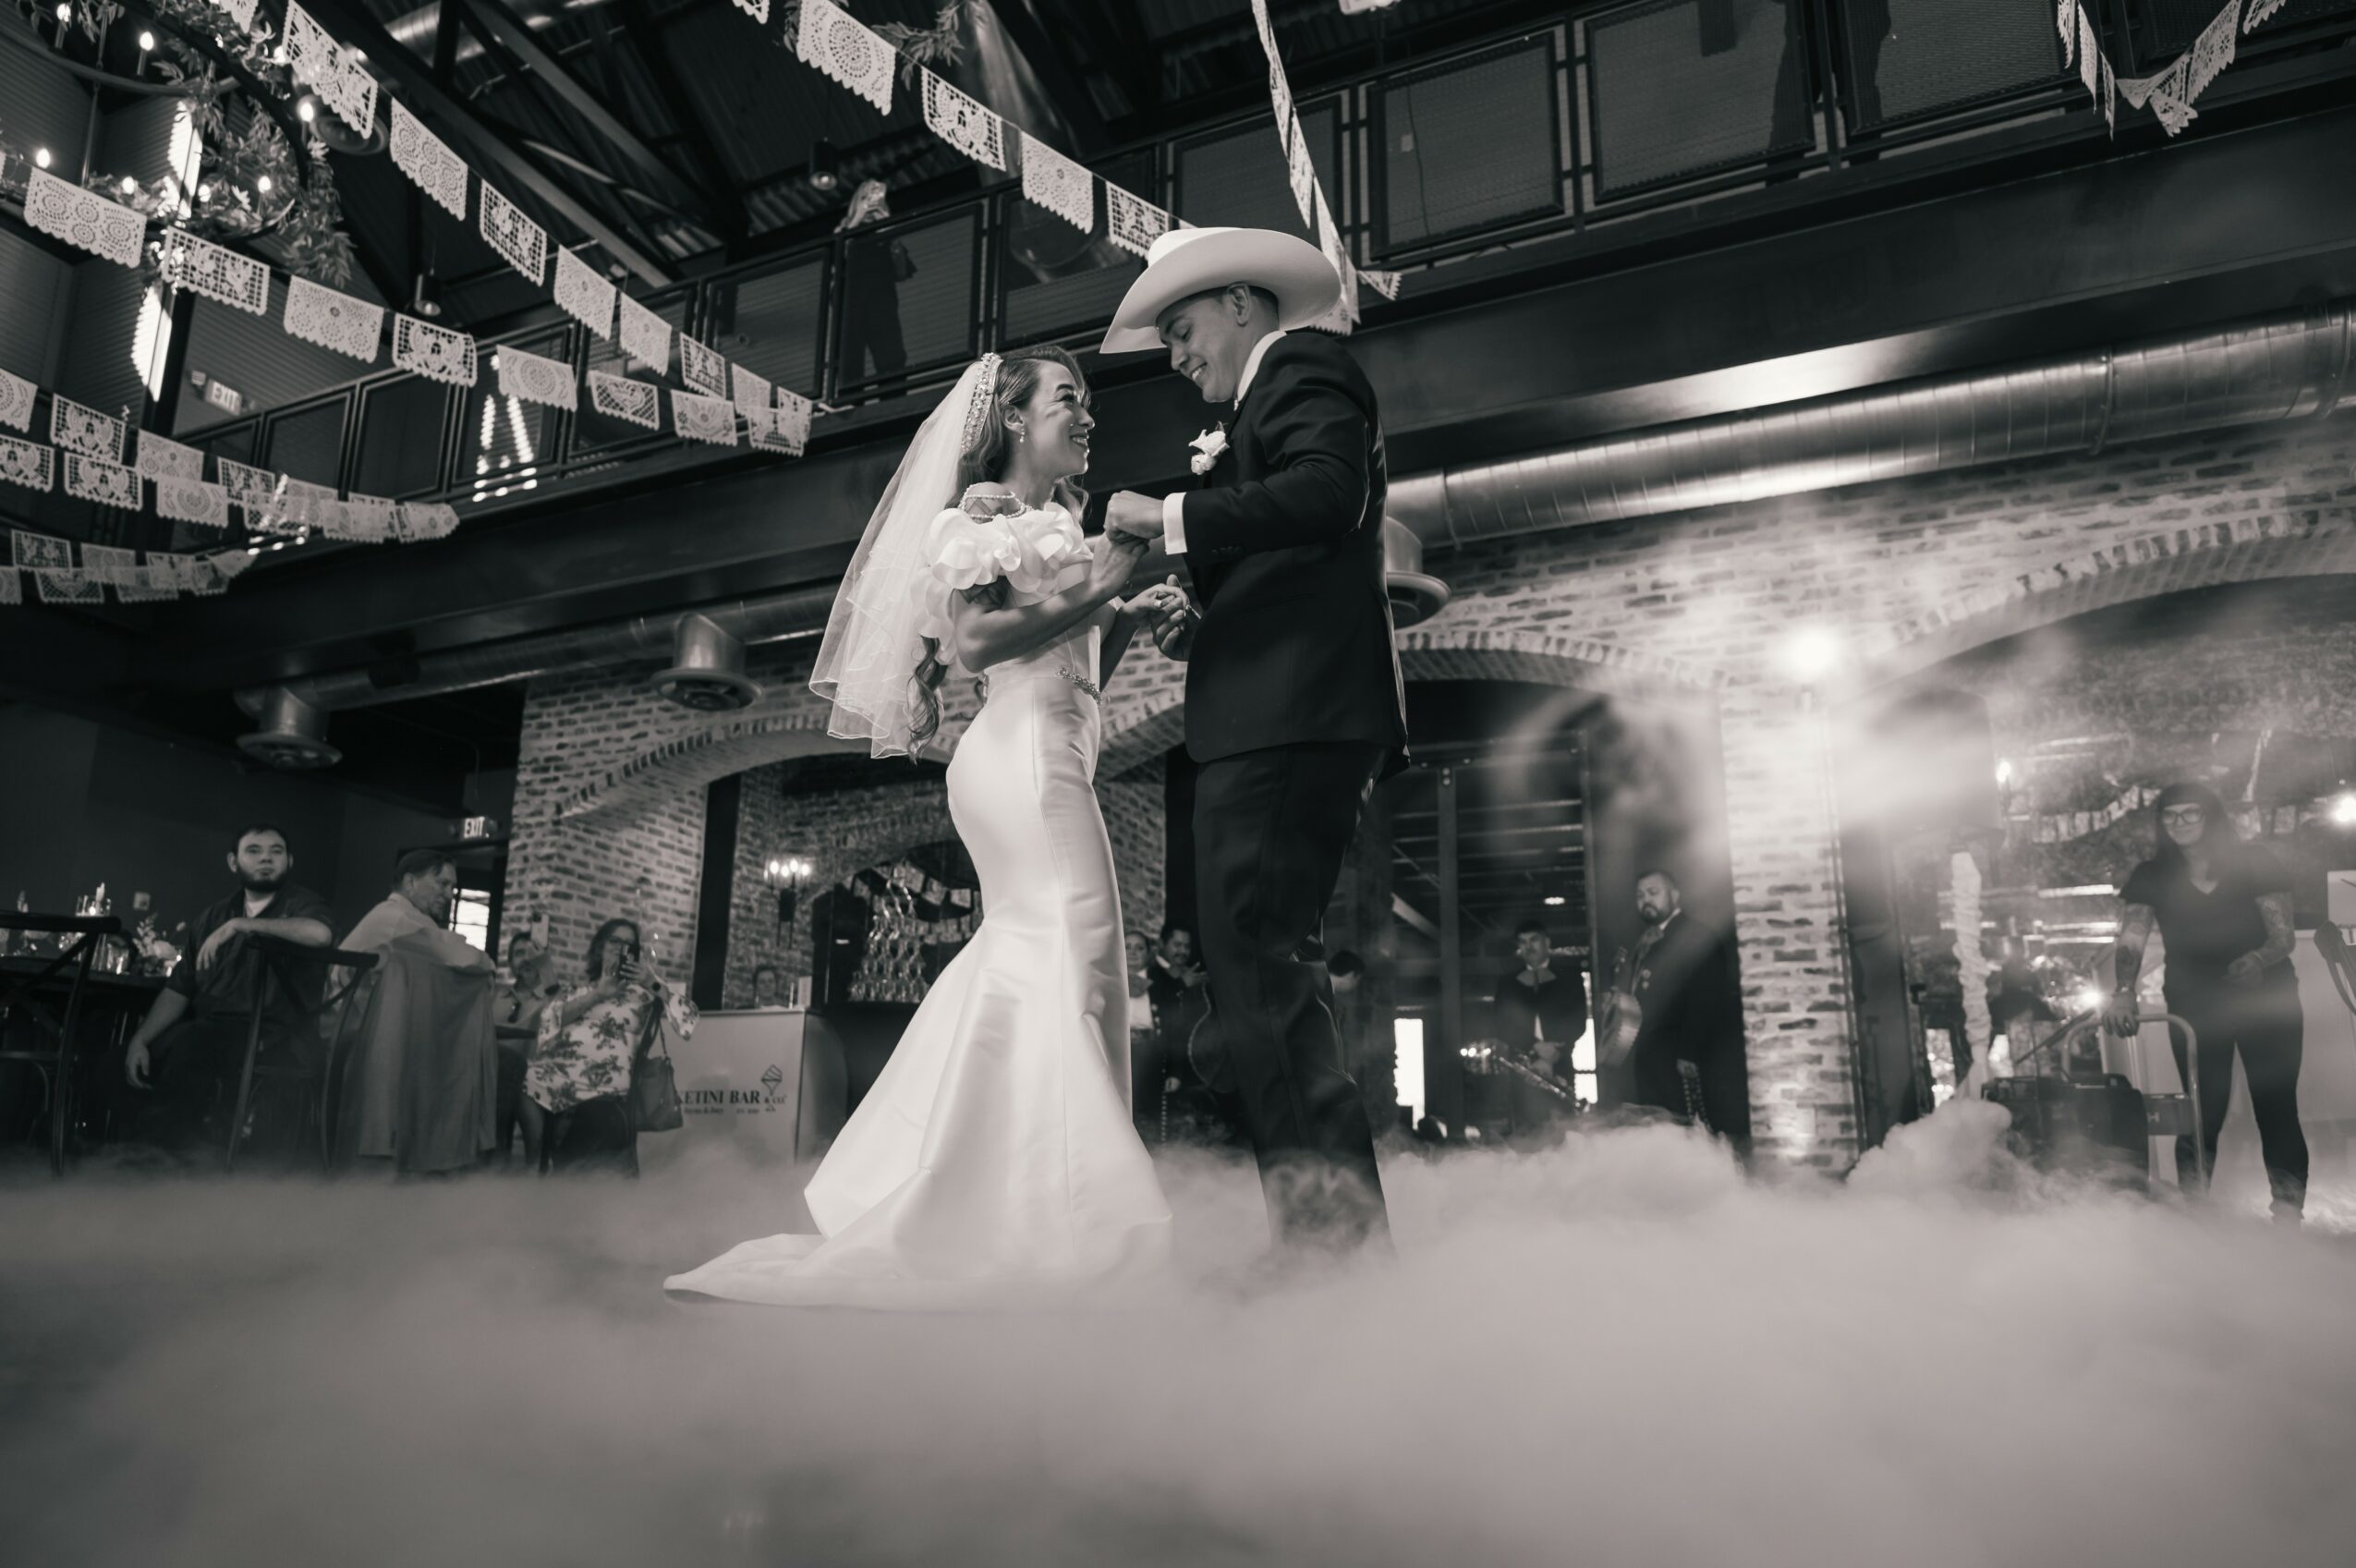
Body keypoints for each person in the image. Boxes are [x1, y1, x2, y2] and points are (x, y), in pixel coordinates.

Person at [667, 345, 1192, 1308]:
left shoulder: (1055, 524)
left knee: (1047, 962)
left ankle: (1003, 1193)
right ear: (1015, 419)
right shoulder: (981, 516)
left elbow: (1071, 671)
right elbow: (981, 643)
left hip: (1048, 749)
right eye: (1068, 399)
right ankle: (1072, 1215)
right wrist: (1110, 576)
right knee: (1076, 957)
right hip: (1023, 761)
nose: (1087, 416)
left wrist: (1124, 612)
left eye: (1087, 401)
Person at [1101, 225, 1408, 1257]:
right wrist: (1206, 618)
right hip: (1276, 713)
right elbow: (1290, 555)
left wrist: (1172, 516)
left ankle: (1332, 1253)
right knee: (1256, 981)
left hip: (1291, 718)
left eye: (1181, 330)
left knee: (1263, 981)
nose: (1176, 356)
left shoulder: (1305, 366)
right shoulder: (1258, 402)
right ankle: (1329, 1241)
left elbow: (1329, 493)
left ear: (1240, 303)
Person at [2102, 784, 2306, 1221]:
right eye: (2170, 815)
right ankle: (2194, 1213)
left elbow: (2283, 936)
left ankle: (2288, 1215)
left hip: (2267, 998)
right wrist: (2123, 991)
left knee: (2275, 1104)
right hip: (2195, 1002)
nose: (2180, 823)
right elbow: (2132, 937)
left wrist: (2257, 959)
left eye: (2190, 813)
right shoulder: (2152, 874)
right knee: (2199, 1110)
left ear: (2211, 817)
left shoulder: (2254, 861)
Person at [120, 824, 335, 1162]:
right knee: (118, 1061)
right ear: (233, 862)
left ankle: (161, 1161)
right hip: (215, 1027)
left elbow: (320, 934)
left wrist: (240, 926)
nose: (266, 858)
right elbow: (179, 988)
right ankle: (125, 1159)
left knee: (192, 1046)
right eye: (254, 850)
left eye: (276, 851)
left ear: (290, 861)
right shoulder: (214, 915)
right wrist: (140, 1039)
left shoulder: (302, 903)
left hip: (278, 1036)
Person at [336, 851, 500, 1174]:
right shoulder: (397, 917)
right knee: (450, 1049)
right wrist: (489, 964)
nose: (449, 893)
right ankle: (439, 1156)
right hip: (348, 1034)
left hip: (363, 1030)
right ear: (410, 882)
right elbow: (457, 955)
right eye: (442, 883)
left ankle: (419, 1154)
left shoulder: (402, 917)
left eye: (452, 886)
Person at [1600, 869, 1746, 1144]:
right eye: (1640, 895)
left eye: (1653, 893)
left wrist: (1689, 1053)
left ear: (1675, 895)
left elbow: (1706, 999)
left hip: (1681, 1053)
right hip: (1649, 1054)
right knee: (1657, 1130)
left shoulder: (1695, 936)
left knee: (1686, 1130)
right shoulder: (1641, 942)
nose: (1646, 900)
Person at [523, 918, 670, 1175]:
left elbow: (688, 1017)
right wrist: (597, 995)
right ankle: (537, 1158)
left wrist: (652, 981)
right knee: (516, 1075)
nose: (620, 948)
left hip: (605, 1083)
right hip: (559, 1077)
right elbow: (548, 1021)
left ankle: (545, 1163)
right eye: (615, 941)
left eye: (629, 944)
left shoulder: (641, 995)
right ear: (601, 947)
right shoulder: (580, 990)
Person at [1491, 918, 1586, 1133]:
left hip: (1559, 1061)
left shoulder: (1570, 978)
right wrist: (1534, 1047)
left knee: (1563, 1126)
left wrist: (1553, 1053)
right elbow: (1501, 1024)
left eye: (1534, 940)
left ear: (1547, 942)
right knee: (1527, 1128)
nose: (1529, 946)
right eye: (1523, 942)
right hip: (1522, 1065)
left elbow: (1578, 1021)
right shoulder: (1507, 983)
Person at [835, 179, 909, 383]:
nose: (871, 203)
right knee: (850, 354)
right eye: (867, 197)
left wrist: (888, 228)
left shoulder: (885, 233)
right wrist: (858, 217)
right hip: (851, 301)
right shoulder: (845, 228)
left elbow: (901, 272)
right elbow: (838, 256)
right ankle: (849, 395)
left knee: (890, 350)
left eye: (877, 197)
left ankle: (893, 392)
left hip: (881, 298)